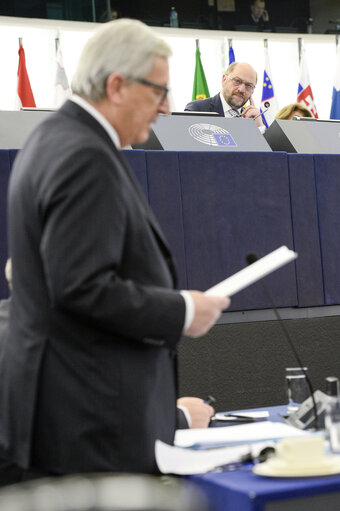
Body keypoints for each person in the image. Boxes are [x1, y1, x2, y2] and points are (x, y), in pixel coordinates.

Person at [0, 18, 230, 482]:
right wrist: (181, 309)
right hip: (86, 424)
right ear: (118, 85)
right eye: (159, 92)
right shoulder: (84, 155)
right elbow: (80, 287)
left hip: (67, 414)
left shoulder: (53, 138)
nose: (167, 108)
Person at [185, 61, 265, 132]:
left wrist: (259, 128)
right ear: (224, 80)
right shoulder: (197, 110)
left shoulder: (255, 120)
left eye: (248, 85)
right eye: (237, 81)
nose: (241, 89)